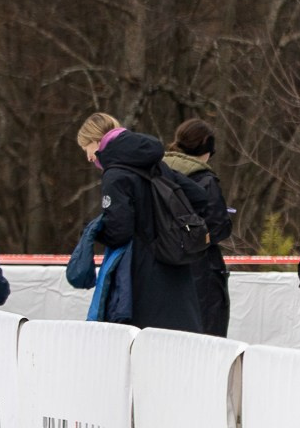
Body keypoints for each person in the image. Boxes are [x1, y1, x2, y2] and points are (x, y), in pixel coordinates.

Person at [78, 110, 218, 333]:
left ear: (96, 141)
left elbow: (120, 231)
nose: (88, 157)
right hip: (176, 271)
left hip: (140, 279)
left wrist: (95, 231)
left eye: (86, 148)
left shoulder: (115, 175)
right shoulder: (157, 164)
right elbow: (200, 197)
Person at [166, 117, 233, 339]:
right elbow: (218, 225)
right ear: (206, 146)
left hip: (163, 265)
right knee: (206, 335)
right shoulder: (204, 179)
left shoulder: (158, 173)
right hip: (200, 268)